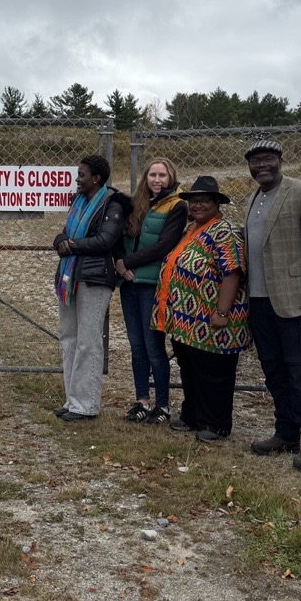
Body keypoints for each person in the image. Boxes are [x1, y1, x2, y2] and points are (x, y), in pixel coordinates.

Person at [244, 139, 301, 472]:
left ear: (281, 160)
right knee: (274, 372)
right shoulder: (255, 198)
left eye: (267, 159)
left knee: (300, 372)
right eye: (255, 161)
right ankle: (286, 433)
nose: (261, 165)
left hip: (295, 300)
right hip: (260, 301)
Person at [152, 176, 251, 442]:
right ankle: (193, 414)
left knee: (213, 370)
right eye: (193, 201)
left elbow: (233, 272)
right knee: (190, 367)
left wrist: (221, 312)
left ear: (217, 204)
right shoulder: (192, 230)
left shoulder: (224, 231)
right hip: (188, 321)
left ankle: (215, 423)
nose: (197, 205)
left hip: (213, 317)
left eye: (204, 200)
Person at [53, 155, 132, 421]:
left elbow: (106, 240)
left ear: (96, 178)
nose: (77, 179)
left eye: (82, 175)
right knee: (69, 339)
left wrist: (70, 245)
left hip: (95, 279)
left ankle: (86, 405)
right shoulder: (78, 201)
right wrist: (62, 239)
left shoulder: (114, 204)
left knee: (89, 341)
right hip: (70, 276)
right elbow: (63, 233)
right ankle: (72, 399)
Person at [115, 157, 187, 425]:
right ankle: (142, 400)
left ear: (171, 177)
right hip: (129, 283)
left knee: (153, 346)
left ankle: (163, 405)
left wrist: (128, 263)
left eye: (162, 175)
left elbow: (164, 245)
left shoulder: (178, 205)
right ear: (146, 178)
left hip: (152, 285)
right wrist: (121, 266)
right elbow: (120, 238)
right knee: (136, 346)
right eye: (152, 175)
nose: (157, 180)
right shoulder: (135, 203)